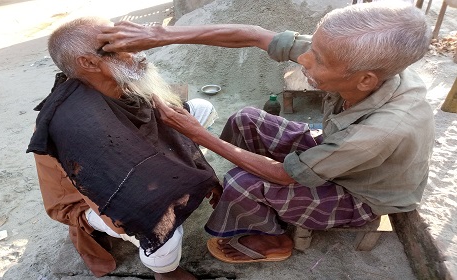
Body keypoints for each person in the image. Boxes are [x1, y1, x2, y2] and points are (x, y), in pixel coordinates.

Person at [97, 1, 435, 264]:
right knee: (246, 119)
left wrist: (198, 133)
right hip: (346, 158)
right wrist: (162, 34)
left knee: (244, 183)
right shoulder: (357, 59)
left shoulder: (381, 130)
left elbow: (286, 176)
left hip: (364, 194)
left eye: (317, 61)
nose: (304, 61)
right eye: (310, 50)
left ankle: (275, 239)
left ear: (365, 80)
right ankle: (243, 201)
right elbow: (255, 34)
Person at [27, 17, 222, 279]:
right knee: (161, 231)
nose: (137, 48)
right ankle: (165, 272)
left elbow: (155, 118)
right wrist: (181, 185)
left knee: (202, 108)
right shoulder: (80, 125)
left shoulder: (113, 78)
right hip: (88, 199)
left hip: (135, 156)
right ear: (88, 62)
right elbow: (123, 204)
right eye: (120, 43)